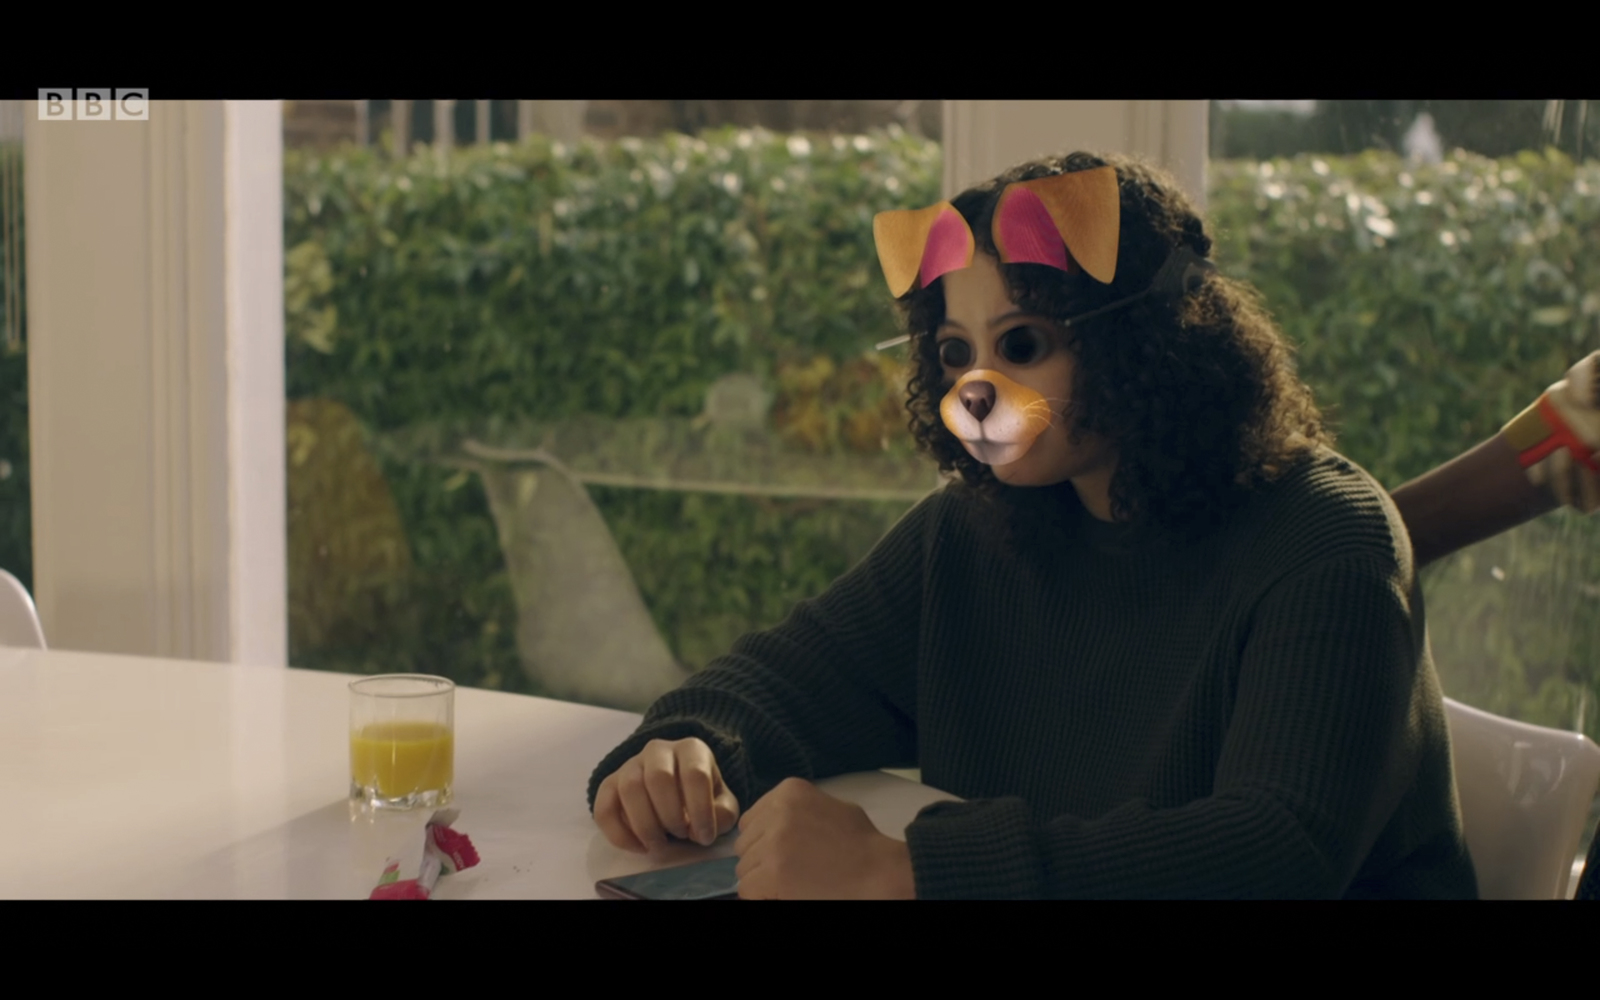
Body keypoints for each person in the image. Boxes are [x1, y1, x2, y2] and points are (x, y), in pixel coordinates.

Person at [586, 150, 1478, 899]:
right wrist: (689, 745)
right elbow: (789, 676)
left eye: (1021, 344)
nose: (974, 391)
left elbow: (1277, 851)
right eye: (952, 352)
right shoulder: (975, 533)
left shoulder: (1328, 539)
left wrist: (908, 872)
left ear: (1149, 341)